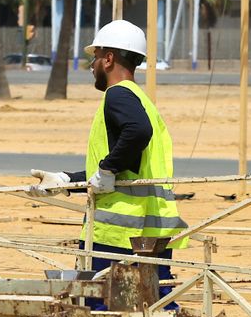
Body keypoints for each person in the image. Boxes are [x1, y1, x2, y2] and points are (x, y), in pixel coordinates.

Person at [29, 19, 186, 290]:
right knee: (157, 305)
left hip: (118, 235)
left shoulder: (118, 95)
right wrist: (65, 180)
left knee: (103, 306)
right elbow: (128, 165)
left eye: (96, 57)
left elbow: (137, 133)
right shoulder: (142, 99)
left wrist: (107, 169)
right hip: (152, 233)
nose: (92, 65)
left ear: (109, 59)